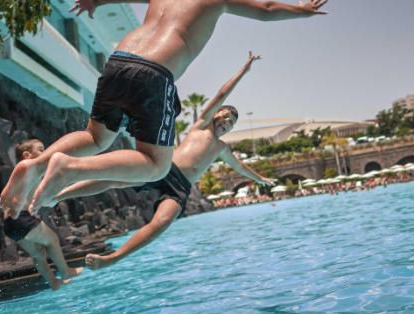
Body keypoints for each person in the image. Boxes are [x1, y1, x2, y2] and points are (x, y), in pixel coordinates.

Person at [0, 0, 327, 218]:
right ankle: (69, 168)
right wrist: (301, 10)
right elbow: (267, 9)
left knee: (94, 136)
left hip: (119, 61)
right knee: (156, 165)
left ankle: (38, 164)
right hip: (154, 73)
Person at [50, 52, 276, 270]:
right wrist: (244, 71)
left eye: (232, 122)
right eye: (225, 115)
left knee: (162, 223)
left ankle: (114, 258)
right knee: (114, 181)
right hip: (164, 168)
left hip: (180, 187)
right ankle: (58, 195)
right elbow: (221, 93)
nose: (227, 121)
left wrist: (260, 178)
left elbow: (239, 167)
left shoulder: (222, 148)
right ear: (215, 114)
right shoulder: (201, 125)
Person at [0, 139, 82, 290]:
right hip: (21, 218)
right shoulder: (30, 169)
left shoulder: (27, 173)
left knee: (38, 254)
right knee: (52, 240)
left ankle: (53, 282)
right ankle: (65, 272)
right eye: (40, 149)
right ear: (27, 155)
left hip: (9, 224)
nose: (45, 153)